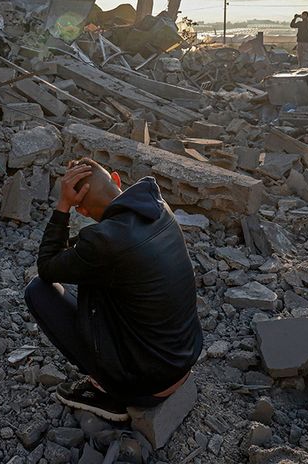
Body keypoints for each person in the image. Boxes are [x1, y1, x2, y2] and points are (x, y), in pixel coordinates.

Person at [24, 158, 203, 421]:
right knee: (103, 282)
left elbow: (47, 268)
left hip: (147, 386)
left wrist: (62, 205)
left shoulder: (104, 242)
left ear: (81, 211)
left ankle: (108, 392)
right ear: (117, 180)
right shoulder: (158, 205)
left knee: (37, 291)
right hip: (182, 360)